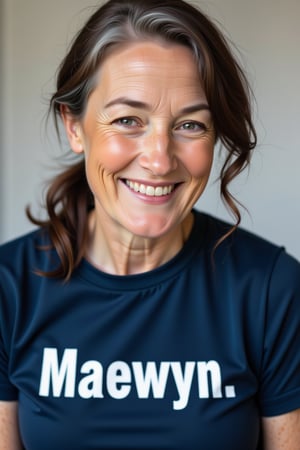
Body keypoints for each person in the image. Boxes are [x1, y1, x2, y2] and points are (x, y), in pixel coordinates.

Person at [0, 0, 299, 448]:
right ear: (74, 126)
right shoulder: (9, 287)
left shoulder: (271, 290)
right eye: (127, 120)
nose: (159, 160)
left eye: (191, 125)